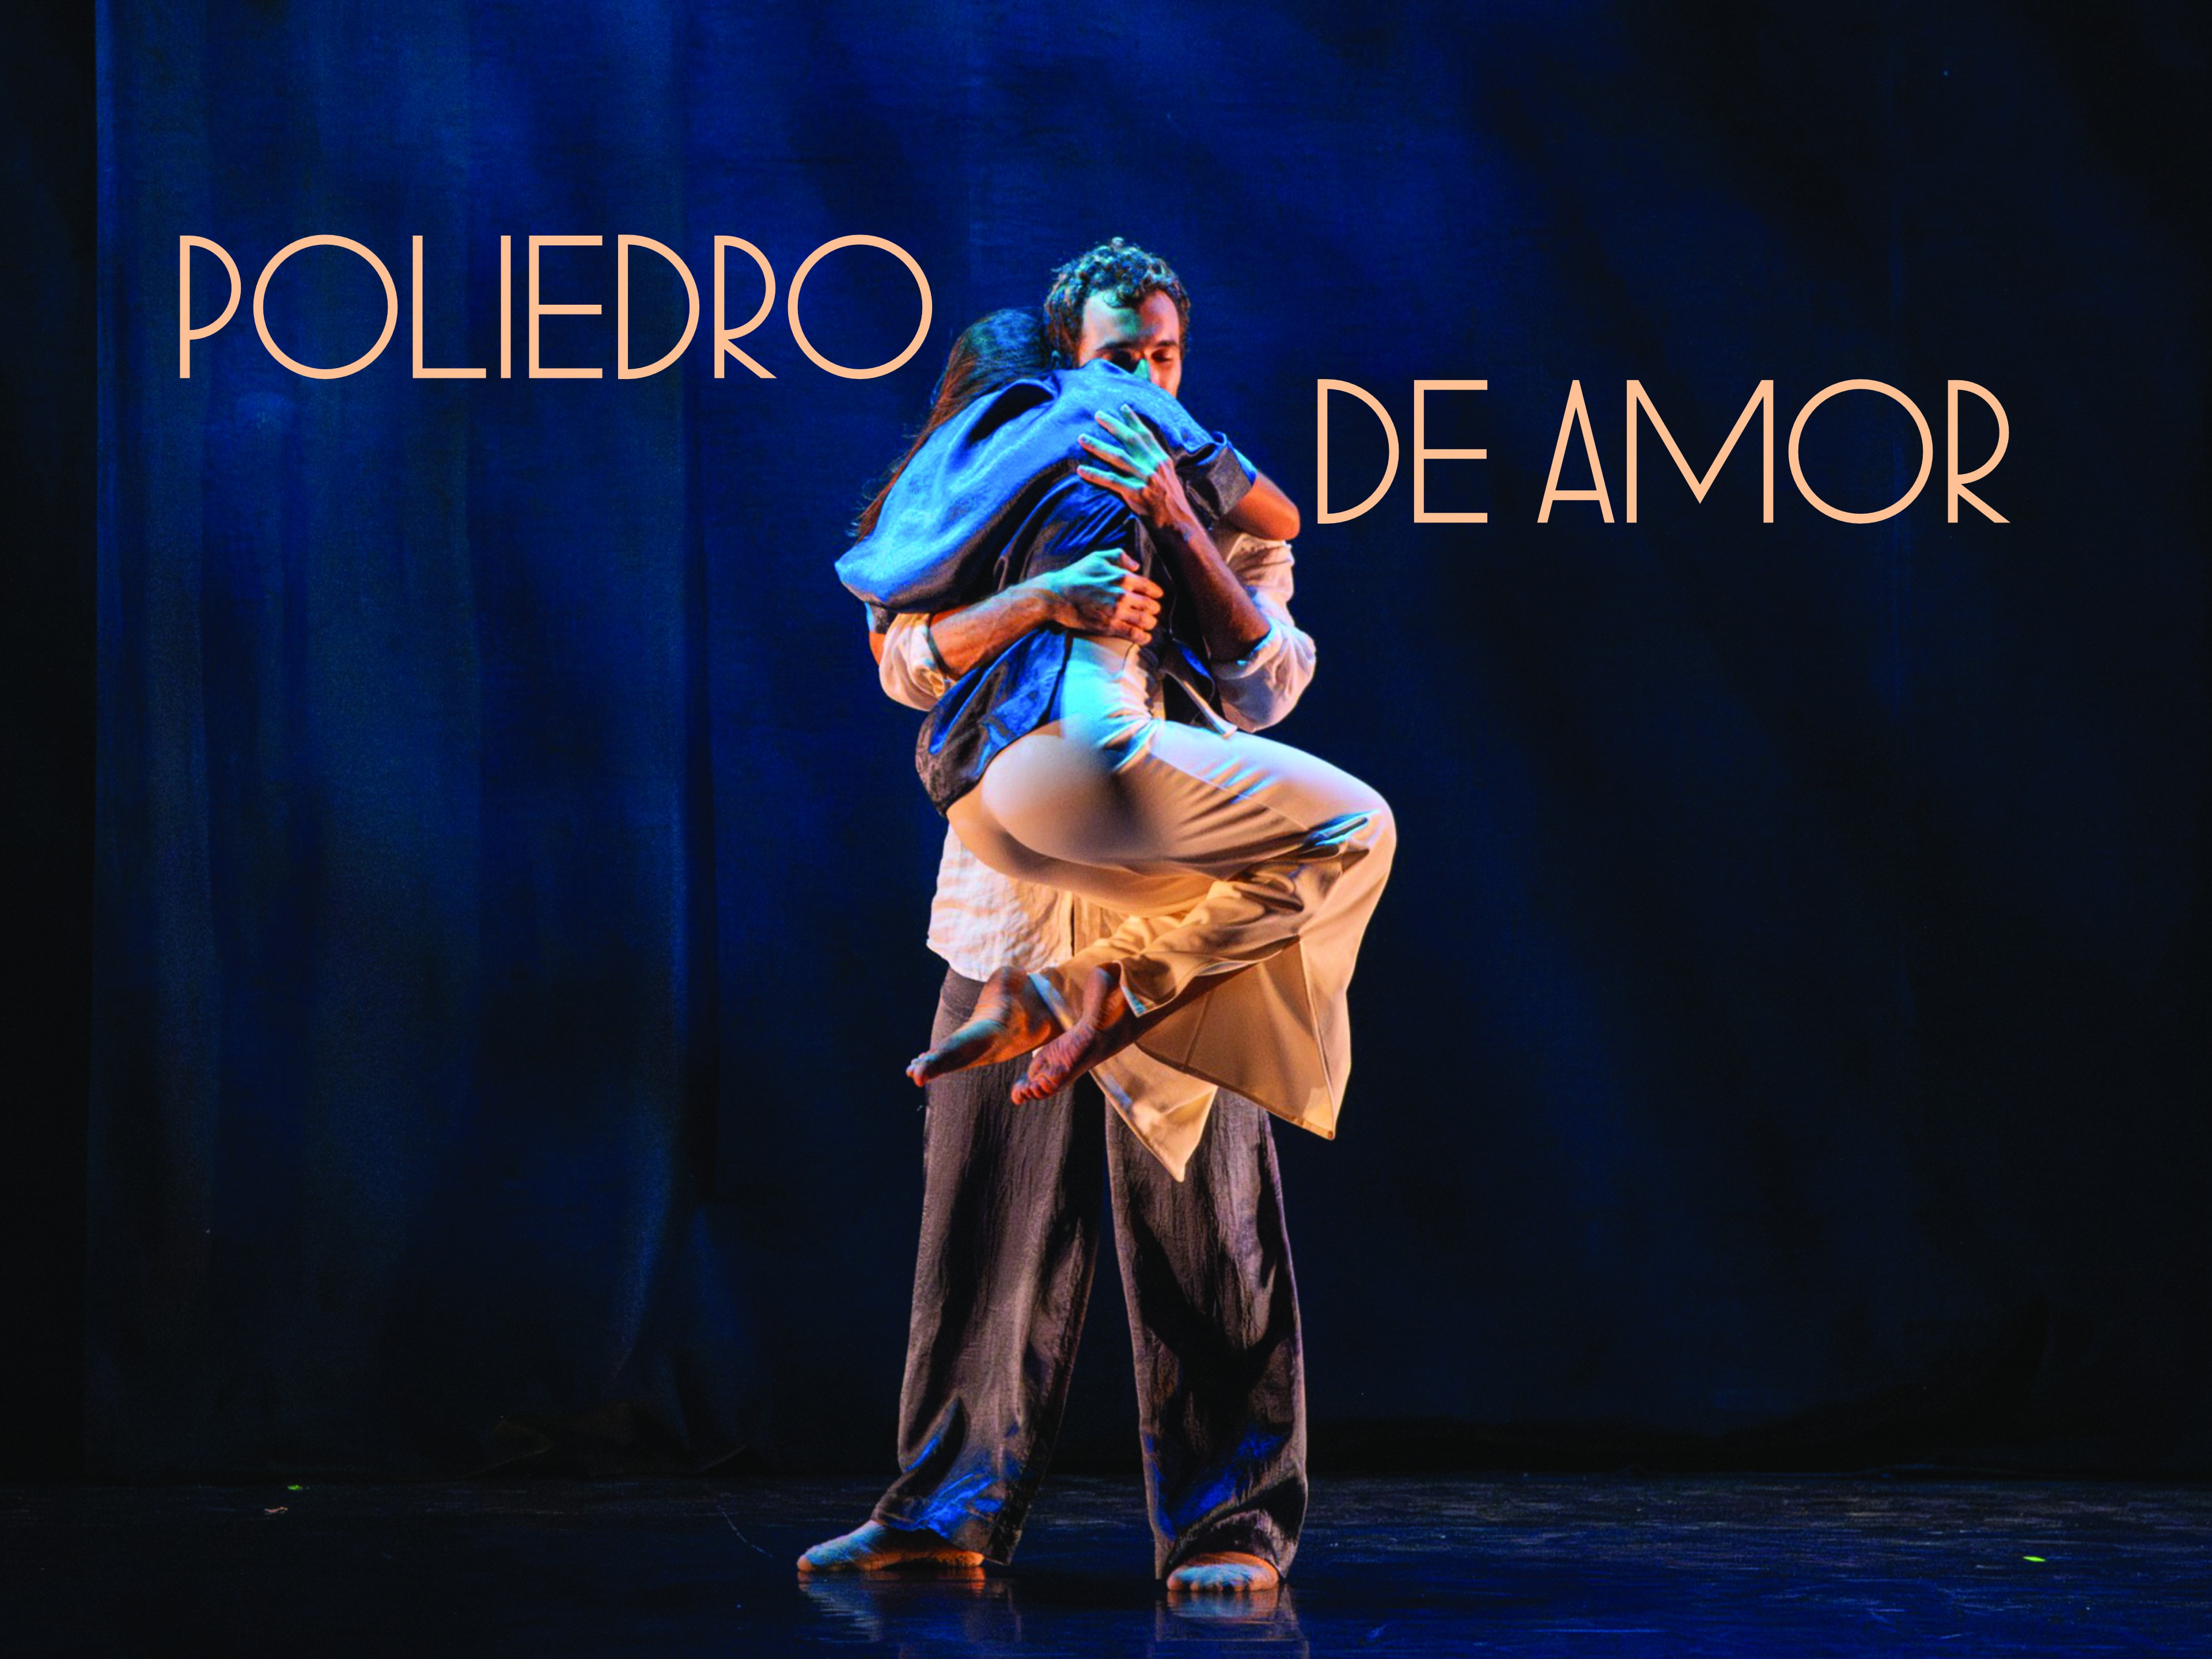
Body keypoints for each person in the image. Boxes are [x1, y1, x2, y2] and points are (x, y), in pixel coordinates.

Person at [800, 241, 1392, 1594]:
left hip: (1164, 907)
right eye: (1122, 355)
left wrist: (1181, 525)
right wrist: (1039, 601)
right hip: (1008, 912)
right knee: (981, 1231)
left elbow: (1266, 689)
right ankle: (945, 1510)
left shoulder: (1218, 499)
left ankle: (1231, 1523)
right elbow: (904, 661)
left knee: (1210, 1229)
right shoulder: (1004, 477)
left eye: (1166, 355)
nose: (1146, 378)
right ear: (1067, 364)